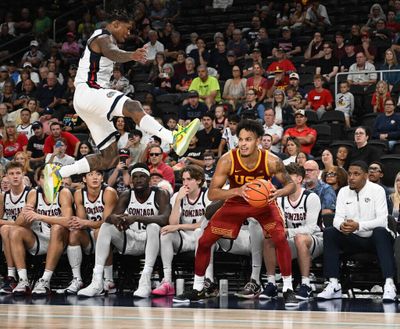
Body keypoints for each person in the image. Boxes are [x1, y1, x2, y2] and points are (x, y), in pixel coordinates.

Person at [44, 10, 199, 203]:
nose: (128, 33)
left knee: (109, 158)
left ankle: (59, 172)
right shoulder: (102, 37)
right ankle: (174, 137)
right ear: (116, 24)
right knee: (133, 106)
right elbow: (113, 53)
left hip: (87, 101)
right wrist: (132, 55)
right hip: (89, 92)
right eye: (127, 29)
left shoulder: (105, 39)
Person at [173, 120, 299, 306]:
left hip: (264, 203)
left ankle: (288, 288)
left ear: (257, 141)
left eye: (248, 139)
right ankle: (199, 288)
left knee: (279, 238)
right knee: (205, 240)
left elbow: (291, 184)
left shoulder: (272, 161)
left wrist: (279, 192)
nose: (243, 143)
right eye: (240, 139)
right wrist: (237, 191)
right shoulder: (227, 159)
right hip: (236, 201)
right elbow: (212, 192)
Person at [77, 163, 171, 298]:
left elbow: (164, 219)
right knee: (106, 227)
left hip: (152, 242)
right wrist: (117, 219)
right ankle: (97, 281)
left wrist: (136, 217)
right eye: (135, 177)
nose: (138, 180)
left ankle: (145, 281)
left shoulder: (160, 193)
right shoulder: (127, 194)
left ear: (149, 179)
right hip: (130, 240)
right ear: (131, 180)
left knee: (154, 226)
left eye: (142, 177)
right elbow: (110, 217)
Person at [317, 161, 397, 302]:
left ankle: (389, 284)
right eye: (350, 174)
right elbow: (337, 219)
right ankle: (333, 283)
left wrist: (358, 225)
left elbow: (382, 221)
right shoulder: (343, 191)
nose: (351, 178)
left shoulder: (377, 190)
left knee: (380, 231)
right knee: (330, 232)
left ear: (365, 176)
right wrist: (342, 226)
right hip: (353, 238)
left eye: (356, 174)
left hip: (375, 240)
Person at [9, 165, 73, 295]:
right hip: (41, 239)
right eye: (44, 177)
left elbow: (68, 221)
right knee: (14, 231)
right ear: (38, 181)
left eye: (51, 177)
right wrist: (25, 212)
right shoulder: (34, 193)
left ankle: (45, 280)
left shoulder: (63, 192)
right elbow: (18, 223)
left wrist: (39, 216)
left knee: (56, 227)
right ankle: (23, 280)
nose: (48, 180)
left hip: (62, 240)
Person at [263, 163, 322, 300]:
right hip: (292, 239)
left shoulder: (311, 197)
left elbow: (311, 228)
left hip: (316, 240)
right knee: (268, 238)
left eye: (289, 177)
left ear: (299, 179)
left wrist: (288, 232)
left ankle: (306, 285)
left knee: (300, 238)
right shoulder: (281, 199)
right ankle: (271, 283)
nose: (285, 181)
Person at [152, 165, 210, 296]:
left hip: (204, 238)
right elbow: (173, 223)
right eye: (183, 180)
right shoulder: (179, 195)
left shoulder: (207, 195)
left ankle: (200, 282)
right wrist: (178, 200)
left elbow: (203, 225)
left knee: (199, 232)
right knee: (166, 233)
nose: (185, 183)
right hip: (186, 239)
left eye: (189, 179)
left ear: (199, 180)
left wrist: (178, 227)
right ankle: (167, 281)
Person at [60, 170, 118, 294]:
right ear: (84, 179)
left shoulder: (109, 193)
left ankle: (108, 280)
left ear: (102, 178)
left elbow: (106, 222)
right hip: (90, 234)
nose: (95, 177)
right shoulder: (79, 194)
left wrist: (85, 223)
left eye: (98, 174)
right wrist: (79, 223)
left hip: (112, 235)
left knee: (101, 231)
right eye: (91, 175)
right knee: (74, 233)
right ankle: (77, 279)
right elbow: (81, 222)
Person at [0, 162, 30, 294]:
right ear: (6, 176)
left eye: (18, 173)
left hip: (33, 235)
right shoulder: (3, 196)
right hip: (13, 234)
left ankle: (22, 279)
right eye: (11, 174)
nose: (15, 176)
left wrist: (7, 222)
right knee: (5, 229)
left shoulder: (31, 193)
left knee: (9, 229)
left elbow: (23, 222)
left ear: (23, 174)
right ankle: (11, 276)